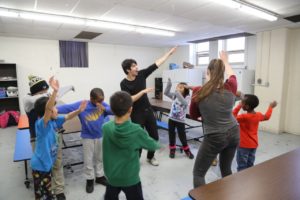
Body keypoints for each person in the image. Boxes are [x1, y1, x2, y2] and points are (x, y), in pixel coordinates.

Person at [189, 51, 240, 188]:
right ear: (223, 72)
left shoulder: (199, 91)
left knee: (198, 174)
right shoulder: (231, 86)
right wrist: (225, 61)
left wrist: (208, 114)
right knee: (226, 169)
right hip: (234, 132)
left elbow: (193, 115)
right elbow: (233, 75)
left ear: (208, 72)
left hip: (214, 136)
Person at [31, 77, 86, 200]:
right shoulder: (42, 125)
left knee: (48, 193)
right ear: (48, 112)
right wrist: (55, 92)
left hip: (48, 164)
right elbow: (48, 108)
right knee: (43, 195)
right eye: (54, 108)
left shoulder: (54, 121)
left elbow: (67, 116)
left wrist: (79, 110)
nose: (57, 109)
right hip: (40, 167)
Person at [120, 47, 176, 166]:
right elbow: (129, 99)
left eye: (136, 65)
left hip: (148, 111)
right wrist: (143, 92)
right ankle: (136, 159)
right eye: (134, 66)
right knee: (138, 138)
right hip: (136, 113)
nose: (137, 68)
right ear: (128, 70)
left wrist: (169, 54)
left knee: (154, 137)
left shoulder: (141, 75)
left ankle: (150, 157)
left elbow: (156, 64)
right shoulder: (123, 83)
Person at [102, 91, 160, 200]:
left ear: (113, 110)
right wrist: (159, 146)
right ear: (130, 109)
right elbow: (151, 145)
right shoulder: (136, 130)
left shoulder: (105, 128)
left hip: (112, 176)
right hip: (130, 178)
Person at [23, 75, 73, 200]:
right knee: (43, 167)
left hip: (54, 135)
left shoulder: (47, 97)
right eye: (42, 91)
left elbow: (51, 103)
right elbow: (46, 105)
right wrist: (54, 92)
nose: (45, 93)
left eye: (46, 91)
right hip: (38, 138)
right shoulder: (28, 100)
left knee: (57, 164)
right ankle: (45, 191)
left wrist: (57, 91)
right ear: (36, 91)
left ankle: (59, 190)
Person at [57, 88, 112, 193]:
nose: (100, 103)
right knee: (88, 159)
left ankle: (100, 176)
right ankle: (90, 179)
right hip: (87, 137)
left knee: (100, 157)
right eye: (98, 101)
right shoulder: (82, 104)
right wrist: (52, 109)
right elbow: (66, 108)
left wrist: (104, 108)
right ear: (91, 98)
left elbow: (113, 111)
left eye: (102, 101)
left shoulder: (102, 104)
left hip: (100, 136)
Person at [233, 94, 277, 171]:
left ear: (246, 107)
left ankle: (242, 181)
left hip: (243, 145)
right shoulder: (258, 115)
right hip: (253, 145)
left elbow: (232, 117)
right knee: (250, 165)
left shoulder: (244, 117)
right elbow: (267, 117)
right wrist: (271, 107)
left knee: (242, 166)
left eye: (242, 102)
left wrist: (238, 106)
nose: (240, 103)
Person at [164, 78, 194, 159]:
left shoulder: (187, 97)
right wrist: (169, 84)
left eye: (181, 87)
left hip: (180, 121)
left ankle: (187, 150)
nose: (178, 88)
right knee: (171, 135)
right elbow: (166, 93)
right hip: (171, 119)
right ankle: (172, 149)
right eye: (178, 86)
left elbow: (184, 103)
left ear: (186, 90)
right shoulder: (175, 95)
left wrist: (177, 93)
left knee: (182, 136)